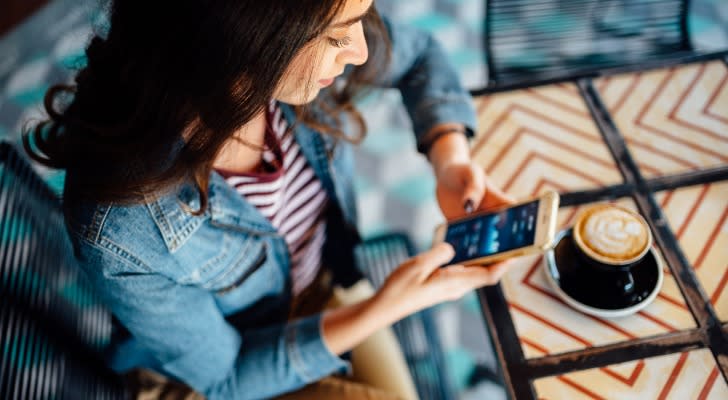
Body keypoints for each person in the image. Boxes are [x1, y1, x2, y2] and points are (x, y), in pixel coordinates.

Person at [24, 0, 513, 399]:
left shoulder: (285, 73)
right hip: (212, 373)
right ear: (245, 36)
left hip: (318, 291)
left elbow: (419, 52)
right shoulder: (121, 224)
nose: (360, 52)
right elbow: (226, 377)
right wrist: (383, 307)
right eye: (338, 35)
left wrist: (449, 157)